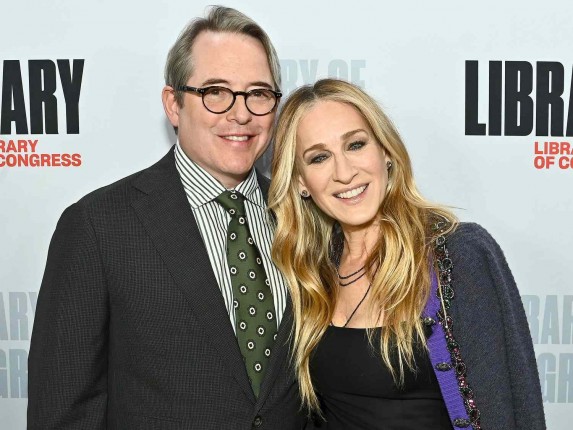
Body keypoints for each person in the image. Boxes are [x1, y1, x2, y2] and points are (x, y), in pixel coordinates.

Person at [28, 7, 306, 430]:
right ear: (173, 105)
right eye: (216, 91)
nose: (241, 113)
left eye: (258, 93)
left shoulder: (304, 216)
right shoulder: (97, 227)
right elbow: (64, 410)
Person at [269, 79, 545, 430]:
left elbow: (518, 401)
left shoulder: (458, 254)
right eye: (319, 158)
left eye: (355, 144)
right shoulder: (308, 272)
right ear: (300, 182)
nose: (344, 172)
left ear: (386, 152)